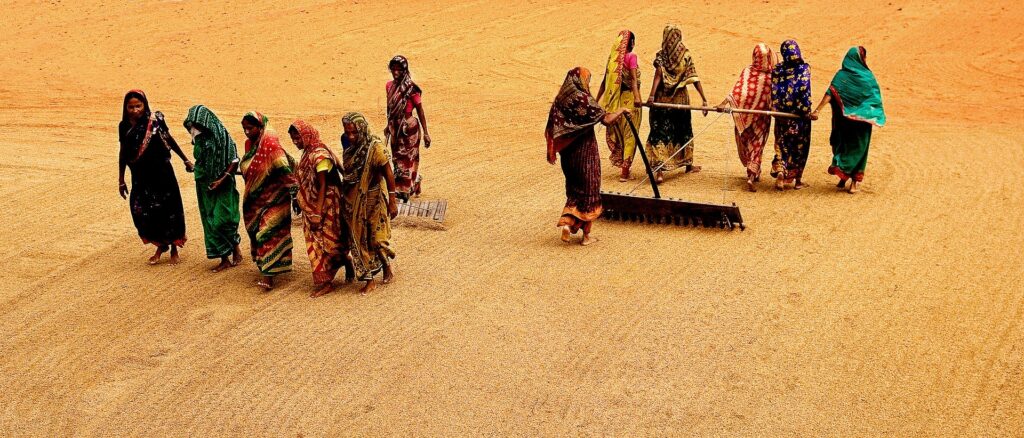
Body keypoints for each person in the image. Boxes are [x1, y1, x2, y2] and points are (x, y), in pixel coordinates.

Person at [546, 67, 629, 246]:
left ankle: (568, 224)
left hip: (568, 155)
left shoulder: (561, 99)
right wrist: (621, 110)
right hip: (585, 152)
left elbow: (552, 126)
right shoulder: (583, 99)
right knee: (590, 189)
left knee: (575, 189)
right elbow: (606, 120)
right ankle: (586, 236)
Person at [118, 90, 191, 264]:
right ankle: (160, 243)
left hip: (162, 172)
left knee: (169, 209)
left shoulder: (154, 121)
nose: (135, 110)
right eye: (131, 107)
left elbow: (169, 139)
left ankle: (173, 247)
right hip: (140, 175)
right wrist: (121, 179)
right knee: (143, 210)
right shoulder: (123, 126)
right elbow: (123, 153)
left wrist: (185, 159)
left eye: (138, 106)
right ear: (125, 108)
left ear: (144, 105)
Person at [289, 120, 355, 297]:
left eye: (298, 138)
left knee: (329, 241)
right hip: (311, 205)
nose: (296, 142)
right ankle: (326, 279)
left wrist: (317, 213)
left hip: (327, 204)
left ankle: (340, 266)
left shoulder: (319, 156)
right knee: (315, 243)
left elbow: (323, 185)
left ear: (307, 135)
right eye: (293, 138)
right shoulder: (307, 153)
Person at [811, 46, 886, 194]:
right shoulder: (867, 77)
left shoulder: (843, 76)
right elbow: (873, 100)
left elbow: (829, 94)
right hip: (854, 124)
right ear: (861, 59)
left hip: (851, 124)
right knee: (852, 147)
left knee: (850, 147)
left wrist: (817, 110)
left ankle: (853, 181)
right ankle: (848, 178)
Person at [340, 112, 398, 294]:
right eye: (347, 132)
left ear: (362, 129)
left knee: (375, 238)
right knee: (359, 237)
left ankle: (386, 266)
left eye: (354, 133)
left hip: (373, 199)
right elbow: (349, 174)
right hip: (354, 200)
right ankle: (369, 279)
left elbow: (388, 173)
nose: (350, 136)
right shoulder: (349, 145)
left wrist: (392, 200)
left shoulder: (376, 148)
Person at [239, 112, 298, 291]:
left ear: (261, 127)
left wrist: (294, 193)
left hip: (275, 199)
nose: (247, 132)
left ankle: (268, 277)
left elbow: (283, 168)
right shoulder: (250, 145)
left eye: (250, 128)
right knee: (257, 232)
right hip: (255, 201)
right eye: (244, 129)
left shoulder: (271, 146)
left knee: (266, 233)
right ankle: (267, 265)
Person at [644, 25, 708, 183]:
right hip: (680, 99)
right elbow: (694, 77)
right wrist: (704, 99)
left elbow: (658, 76)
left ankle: (660, 171)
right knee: (683, 130)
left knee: (660, 131)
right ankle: (687, 164)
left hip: (662, 99)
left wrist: (652, 95)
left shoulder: (662, 55)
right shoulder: (685, 55)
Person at [184, 104, 243, 272]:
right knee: (210, 220)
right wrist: (195, 168)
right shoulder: (198, 135)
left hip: (223, 185)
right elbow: (202, 159)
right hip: (204, 186)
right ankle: (224, 257)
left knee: (223, 219)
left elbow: (233, 160)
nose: (194, 128)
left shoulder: (222, 136)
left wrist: (221, 179)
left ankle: (235, 247)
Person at [717, 43, 775, 191]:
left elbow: (737, 92)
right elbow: (773, 98)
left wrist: (723, 104)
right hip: (761, 120)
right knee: (757, 146)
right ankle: (752, 174)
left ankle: (752, 172)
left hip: (745, 118)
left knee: (748, 144)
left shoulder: (748, 72)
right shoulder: (771, 76)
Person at [596, 30, 643, 182]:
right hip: (630, 99)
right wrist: (637, 97)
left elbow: (605, 82)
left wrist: (596, 100)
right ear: (632, 43)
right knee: (630, 134)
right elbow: (634, 80)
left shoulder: (613, 60)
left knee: (621, 134)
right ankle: (624, 171)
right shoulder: (632, 57)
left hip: (616, 101)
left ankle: (623, 166)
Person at [385, 55, 431, 201]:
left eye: (399, 69)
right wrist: (388, 126)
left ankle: (406, 188)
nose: (395, 72)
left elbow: (420, 110)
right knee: (397, 159)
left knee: (408, 158)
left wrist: (426, 133)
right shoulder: (389, 86)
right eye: (393, 69)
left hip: (409, 128)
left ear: (404, 70)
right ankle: (407, 185)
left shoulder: (412, 89)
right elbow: (391, 108)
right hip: (395, 128)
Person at [770, 39, 813, 190]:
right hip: (799, 119)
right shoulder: (803, 69)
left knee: (782, 146)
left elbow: (774, 94)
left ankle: (781, 174)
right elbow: (805, 93)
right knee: (799, 148)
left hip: (781, 117)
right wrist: (807, 112)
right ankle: (798, 180)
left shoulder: (777, 70)